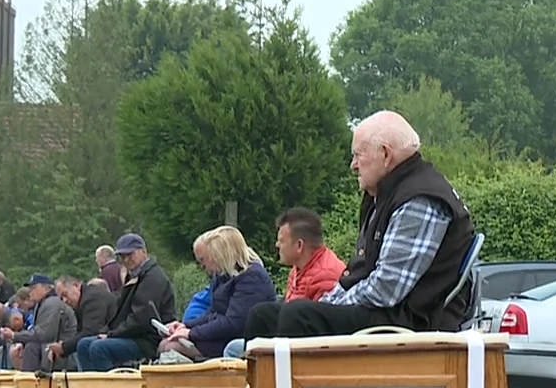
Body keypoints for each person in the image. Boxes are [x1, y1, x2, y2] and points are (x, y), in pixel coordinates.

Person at [241, 111, 477, 341]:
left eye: (358, 155)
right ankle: (263, 381)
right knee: (264, 316)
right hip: (387, 313)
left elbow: (387, 289)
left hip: (409, 322)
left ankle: (300, 382)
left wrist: (325, 307)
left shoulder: (419, 200)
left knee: (299, 316)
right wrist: (325, 304)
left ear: (385, 154)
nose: (353, 165)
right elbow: (360, 274)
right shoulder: (385, 196)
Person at [164, 226, 277, 361]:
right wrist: (187, 326)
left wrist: (192, 333)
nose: (206, 264)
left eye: (209, 256)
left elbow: (234, 323)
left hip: (238, 338)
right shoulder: (224, 276)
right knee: (167, 343)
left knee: (171, 346)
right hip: (224, 336)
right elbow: (213, 312)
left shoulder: (252, 277)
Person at [75, 233, 177, 372]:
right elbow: (121, 314)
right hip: (135, 335)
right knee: (83, 345)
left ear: (144, 251)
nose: (126, 259)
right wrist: (107, 332)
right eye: (122, 256)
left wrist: (111, 335)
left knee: (98, 348)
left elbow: (142, 319)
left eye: (130, 254)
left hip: (149, 339)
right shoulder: (135, 276)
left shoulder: (152, 278)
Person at [1, 274, 78, 373]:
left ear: (46, 288)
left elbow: (44, 334)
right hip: (53, 346)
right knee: (24, 347)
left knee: (31, 347)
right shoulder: (43, 303)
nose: (30, 291)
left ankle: (29, 385)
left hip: (64, 351)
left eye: (33, 288)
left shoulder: (52, 303)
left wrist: (14, 335)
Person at [275, 208, 346, 302]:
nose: (277, 245)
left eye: (281, 241)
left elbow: (319, 316)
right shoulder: (299, 267)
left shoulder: (325, 276)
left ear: (299, 245)